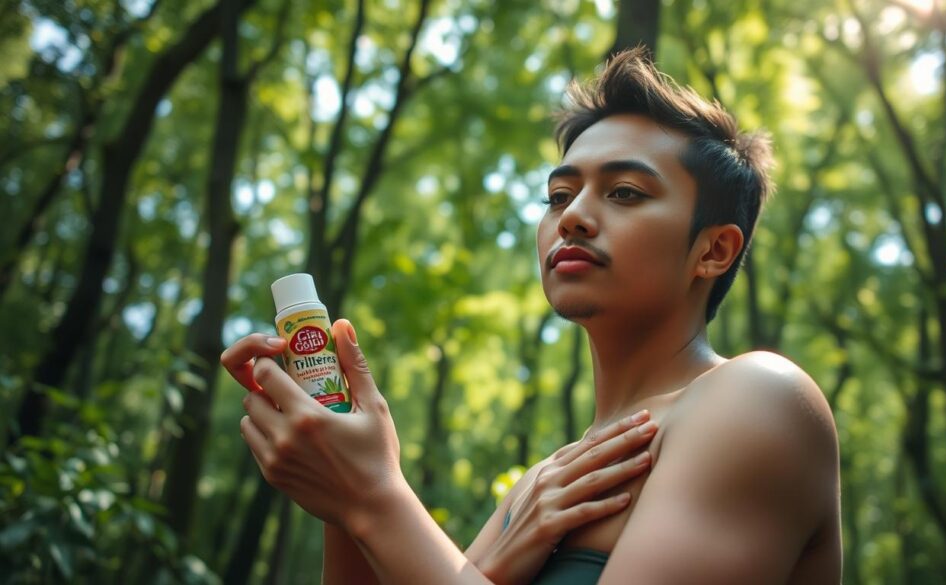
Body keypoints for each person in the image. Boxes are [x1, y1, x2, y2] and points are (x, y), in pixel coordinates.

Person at [221, 47, 842, 584]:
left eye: (625, 191)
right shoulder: (542, 485)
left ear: (713, 250)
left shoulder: (762, 398)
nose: (570, 216)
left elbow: (380, 509)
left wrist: (374, 493)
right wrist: (341, 497)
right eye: (558, 196)